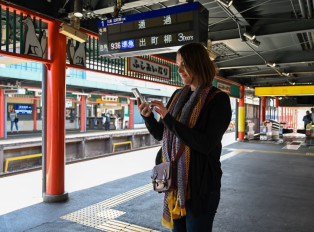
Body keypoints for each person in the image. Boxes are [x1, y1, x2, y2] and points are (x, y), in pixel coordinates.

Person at [137, 42, 231, 231]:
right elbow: (162, 135)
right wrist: (148, 118)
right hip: (175, 186)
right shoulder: (178, 95)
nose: (179, 69)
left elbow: (205, 144)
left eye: (184, 64)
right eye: (178, 64)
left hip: (201, 187)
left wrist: (169, 119)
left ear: (198, 64)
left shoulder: (218, 99)